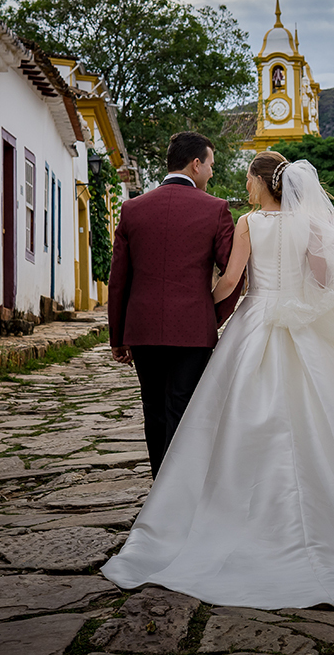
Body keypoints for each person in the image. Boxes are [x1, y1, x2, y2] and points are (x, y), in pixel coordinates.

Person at [101, 151, 334, 609]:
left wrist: (205, 307)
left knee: (236, 416)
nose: (245, 186)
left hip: (255, 322)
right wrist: (306, 299)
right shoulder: (312, 224)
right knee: (323, 415)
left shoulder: (248, 223)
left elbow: (233, 281)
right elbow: (323, 280)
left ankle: (229, 508)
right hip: (301, 327)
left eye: (248, 178)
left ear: (262, 182)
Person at [107, 131, 243, 479]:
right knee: (184, 407)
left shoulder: (132, 209)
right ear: (196, 164)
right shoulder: (216, 209)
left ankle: (160, 485)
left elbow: (119, 278)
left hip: (143, 328)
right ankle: (181, 487)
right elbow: (233, 272)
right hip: (193, 329)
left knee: (153, 407)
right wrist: (211, 316)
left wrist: (117, 336)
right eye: (210, 164)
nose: (211, 171)